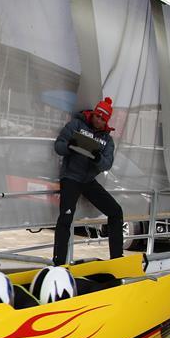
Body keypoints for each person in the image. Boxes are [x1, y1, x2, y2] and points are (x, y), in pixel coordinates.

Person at [52, 97, 123, 266]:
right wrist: (69, 146)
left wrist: (97, 158)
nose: (98, 120)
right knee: (65, 218)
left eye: (102, 119)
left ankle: (117, 258)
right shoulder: (77, 125)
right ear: (93, 114)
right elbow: (58, 146)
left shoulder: (108, 140)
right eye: (97, 116)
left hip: (88, 181)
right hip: (71, 178)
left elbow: (107, 163)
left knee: (116, 211)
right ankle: (58, 263)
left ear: (106, 121)